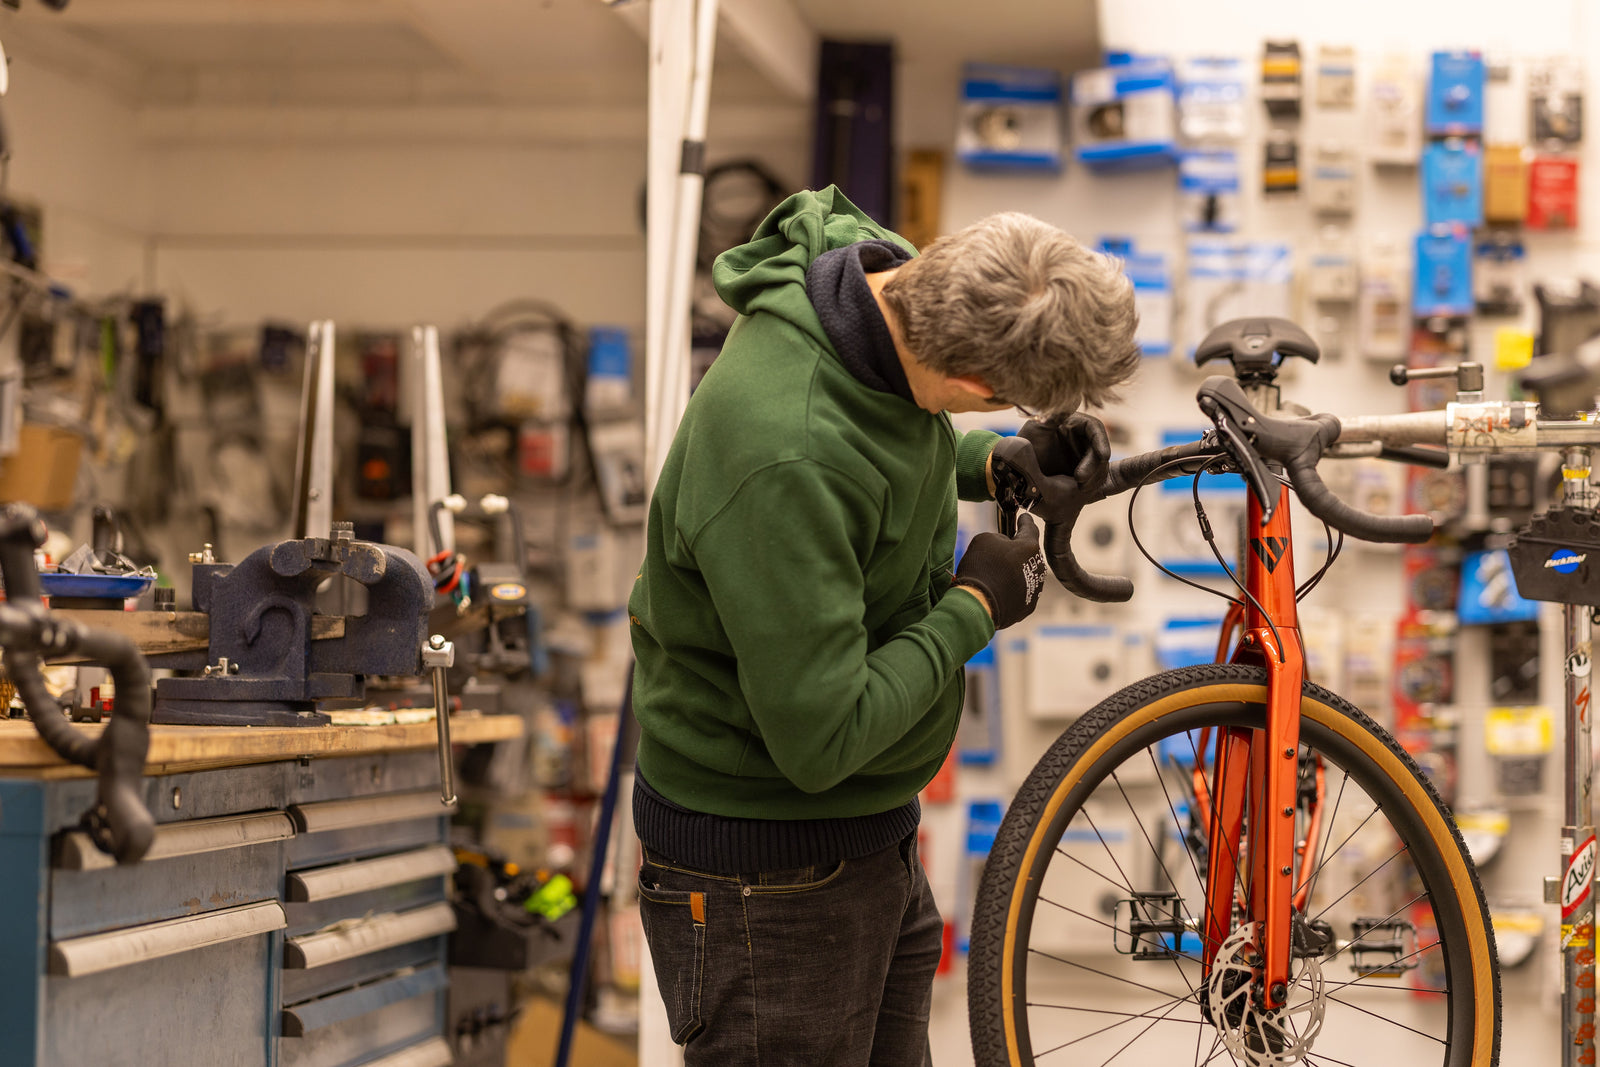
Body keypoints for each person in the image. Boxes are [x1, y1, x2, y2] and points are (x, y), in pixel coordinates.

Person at [628, 185, 1141, 1065]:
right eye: (999, 409)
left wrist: (999, 459)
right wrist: (973, 609)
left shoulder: (886, 289)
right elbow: (822, 737)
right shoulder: (783, 450)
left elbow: (898, 439)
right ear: (975, 380)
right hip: (766, 874)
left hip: (869, 836)